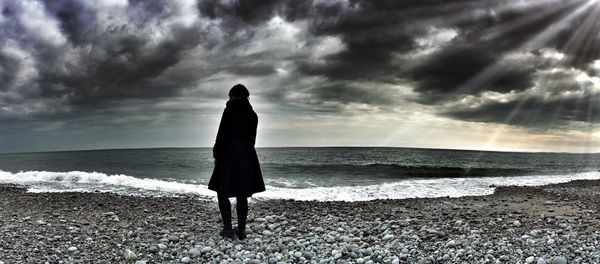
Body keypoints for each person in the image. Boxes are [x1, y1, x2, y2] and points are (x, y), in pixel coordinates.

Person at [208, 84, 265, 240]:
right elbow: (252, 140)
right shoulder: (253, 115)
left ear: (233, 96)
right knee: (242, 194)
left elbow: (221, 135)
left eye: (230, 96)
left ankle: (228, 229)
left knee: (221, 191)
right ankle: (241, 231)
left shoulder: (229, 111)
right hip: (247, 156)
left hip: (228, 156)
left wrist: (216, 154)